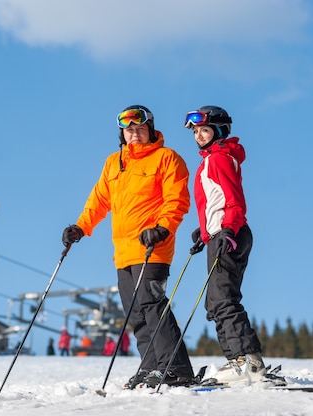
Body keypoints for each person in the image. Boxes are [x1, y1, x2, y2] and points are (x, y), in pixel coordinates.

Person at [62, 105, 195, 388]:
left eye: (140, 129)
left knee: (152, 305)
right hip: (123, 253)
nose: (135, 134)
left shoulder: (166, 158)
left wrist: (162, 228)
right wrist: (81, 227)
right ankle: (151, 368)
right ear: (122, 133)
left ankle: (177, 369)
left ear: (150, 130)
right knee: (135, 312)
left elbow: (177, 200)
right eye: (129, 130)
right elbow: (98, 200)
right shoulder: (114, 163)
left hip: (152, 247)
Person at [184, 105, 265, 383]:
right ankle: (238, 361)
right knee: (216, 301)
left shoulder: (218, 159)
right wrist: (204, 232)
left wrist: (226, 230)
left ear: (219, 131)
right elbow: (216, 202)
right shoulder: (212, 160)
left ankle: (248, 361)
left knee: (224, 298)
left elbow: (234, 200)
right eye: (196, 131)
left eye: (204, 130)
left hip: (230, 233)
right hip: (221, 232)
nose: (199, 136)